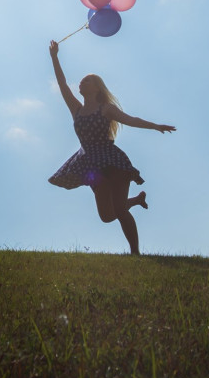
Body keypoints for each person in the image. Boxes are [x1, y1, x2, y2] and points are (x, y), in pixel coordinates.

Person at [47, 40, 175, 255]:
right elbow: (61, 84)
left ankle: (135, 253)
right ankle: (135, 200)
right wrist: (54, 57)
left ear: (97, 87)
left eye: (87, 81)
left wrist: (155, 126)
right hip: (89, 165)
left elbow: (131, 119)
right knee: (107, 216)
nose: (81, 83)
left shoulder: (106, 108)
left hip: (111, 161)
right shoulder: (76, 109)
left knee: (120, 211)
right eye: (81, 81)